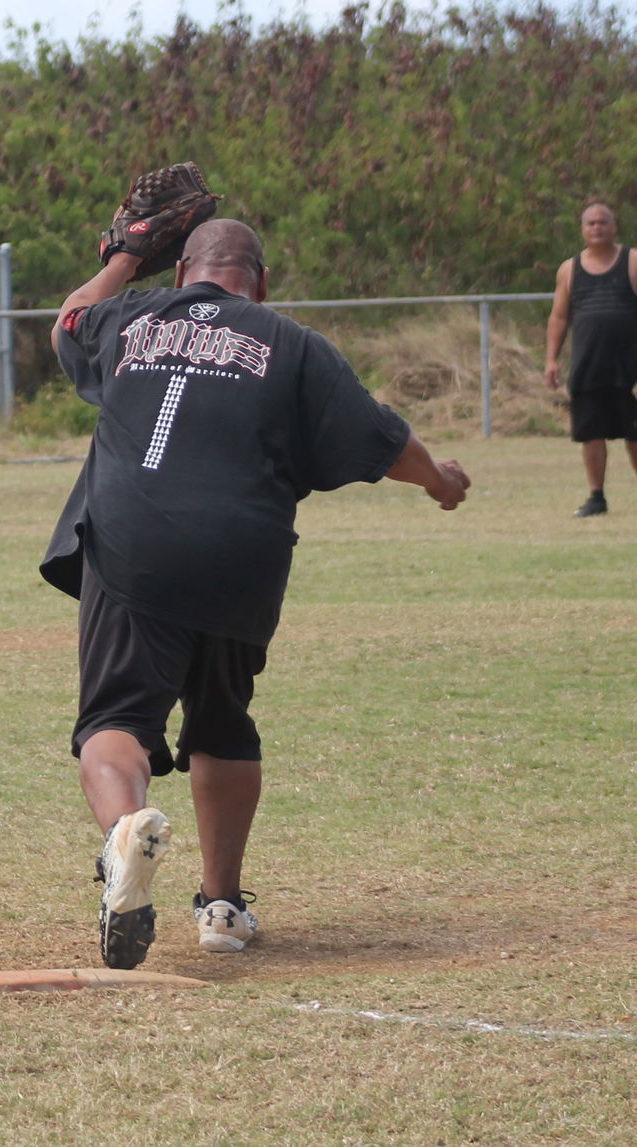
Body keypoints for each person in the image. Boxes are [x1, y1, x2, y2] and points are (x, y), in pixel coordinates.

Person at [41, 219, 470, 970]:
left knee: (116, 720)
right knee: (223, 722)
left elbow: (67, 322)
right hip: (244, 553)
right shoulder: (293, 343)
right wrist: (439, 479)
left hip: (136, 546)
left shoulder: (131, 315)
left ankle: (123, 836)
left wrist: (122, 257)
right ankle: (222, 905)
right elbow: (383, 439)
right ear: (261, 282)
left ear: (182, 274)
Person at [544, 202, 637, 517]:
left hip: (629, 368)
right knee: (591, 433)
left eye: (603, 222)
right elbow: (558, 318)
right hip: (589, 366)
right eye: (591, 223)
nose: (597, 228)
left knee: (634, 434)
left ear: (614, 226)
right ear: (583, 229)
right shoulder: (569, 269)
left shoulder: (632, 261)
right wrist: (551, 360)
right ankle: (597, 497)